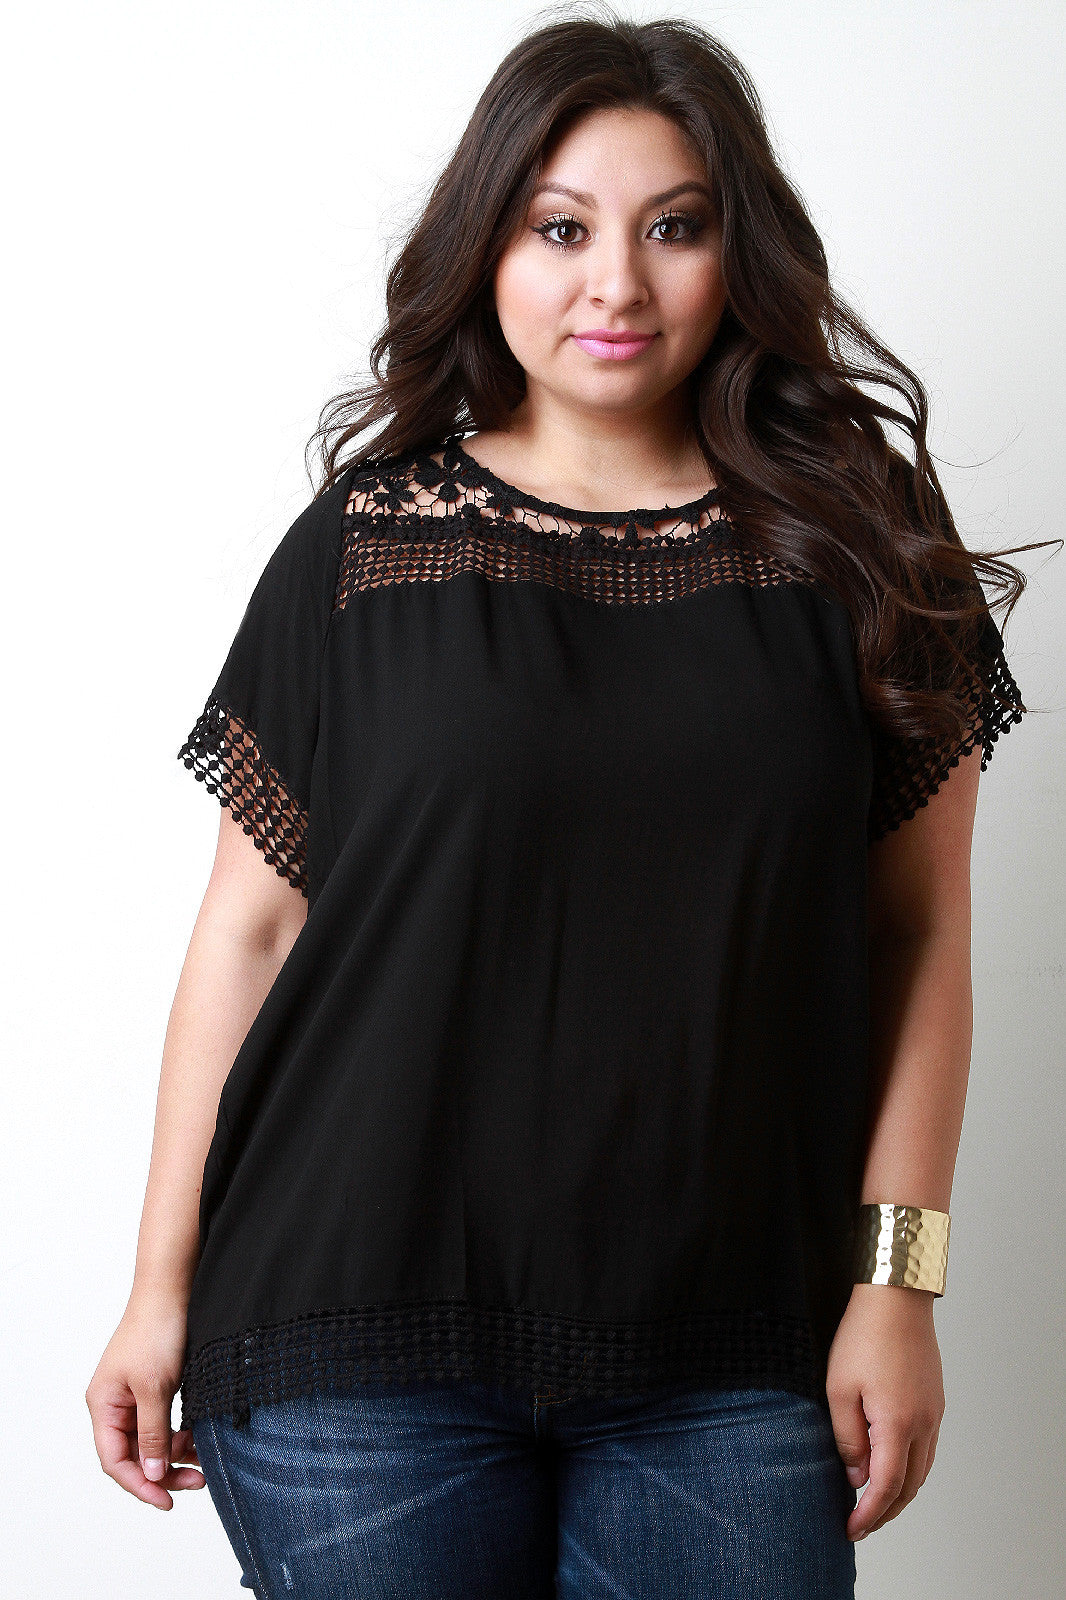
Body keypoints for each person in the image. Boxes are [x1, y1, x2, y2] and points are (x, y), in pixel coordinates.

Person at [86, 9, 1045, 1597]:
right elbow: (249, 934)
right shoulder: (365, 546)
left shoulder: (860, 544)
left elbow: (918, 937)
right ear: (487, 250)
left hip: (737, 1342)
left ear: (739, 253)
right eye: (558, 228)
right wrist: (156, 1288)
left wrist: (898, 1287)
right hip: (350, 1330)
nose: (615, 284)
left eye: (674, 226)